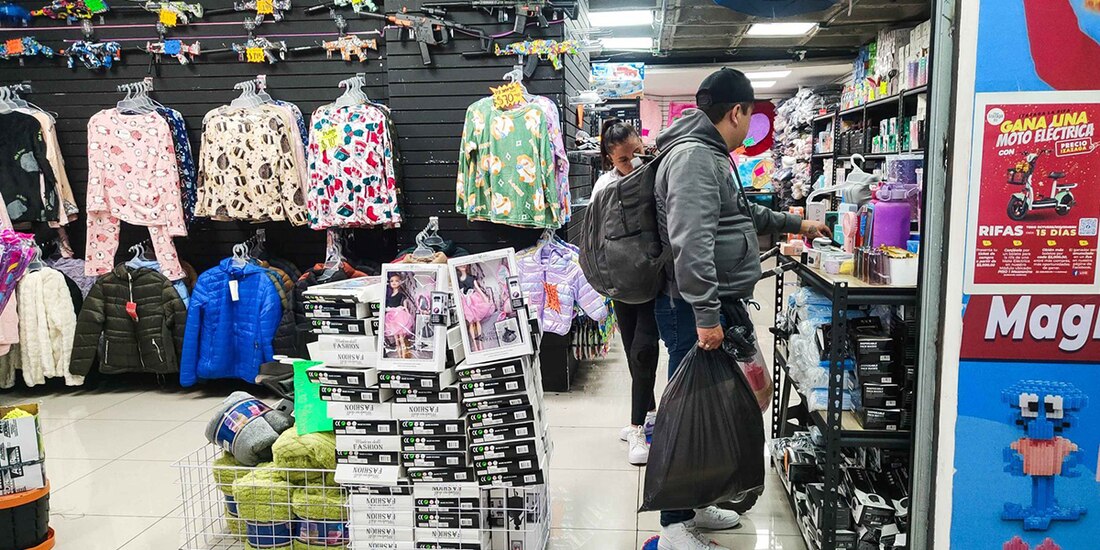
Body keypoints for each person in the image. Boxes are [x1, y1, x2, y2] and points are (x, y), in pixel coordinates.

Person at [652, 68, 830, 550]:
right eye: (750, 117)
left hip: (713, 304)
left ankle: (695, 503)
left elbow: (740, 213)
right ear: (736, 112)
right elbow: (691, 243)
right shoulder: (694, 158)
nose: (749, 127)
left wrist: (797, 223)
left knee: (721, 405)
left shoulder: (710, 154)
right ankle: (673, 525)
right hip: (693, 309)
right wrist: (706, 316)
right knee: (691, 415)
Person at [593, 118, 660, 466]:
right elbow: (594, 240)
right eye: (623, 159)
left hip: (653, 279)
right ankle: (649, 415)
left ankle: (637, 428)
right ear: (609, 159)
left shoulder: (654, 174)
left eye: (637, 152)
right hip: (621, 283)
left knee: (644, 352)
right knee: (634, 352)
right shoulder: (604, 187)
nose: (632, 162)